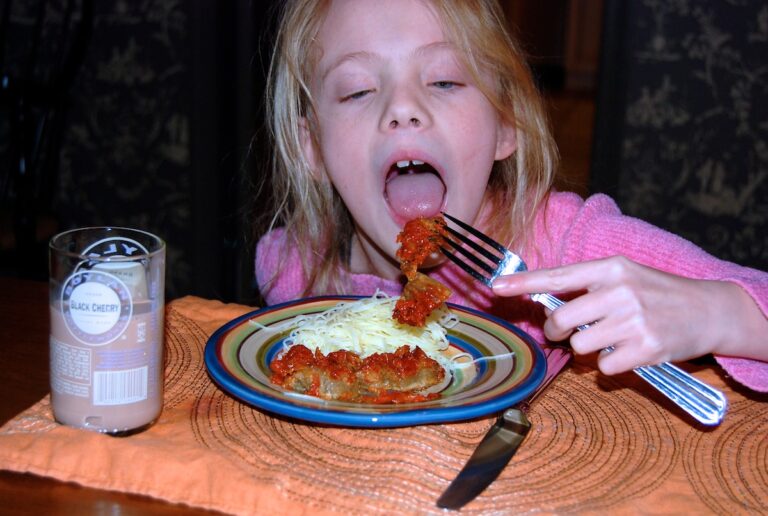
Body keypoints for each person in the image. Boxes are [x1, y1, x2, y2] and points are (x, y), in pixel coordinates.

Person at [255, 0, 768, 392]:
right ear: (312, 148)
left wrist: (719, 315)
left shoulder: (567, 245)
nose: (403, 107)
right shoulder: (293, 268)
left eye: (444, 80)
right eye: (358, 91)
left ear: (505, 123)